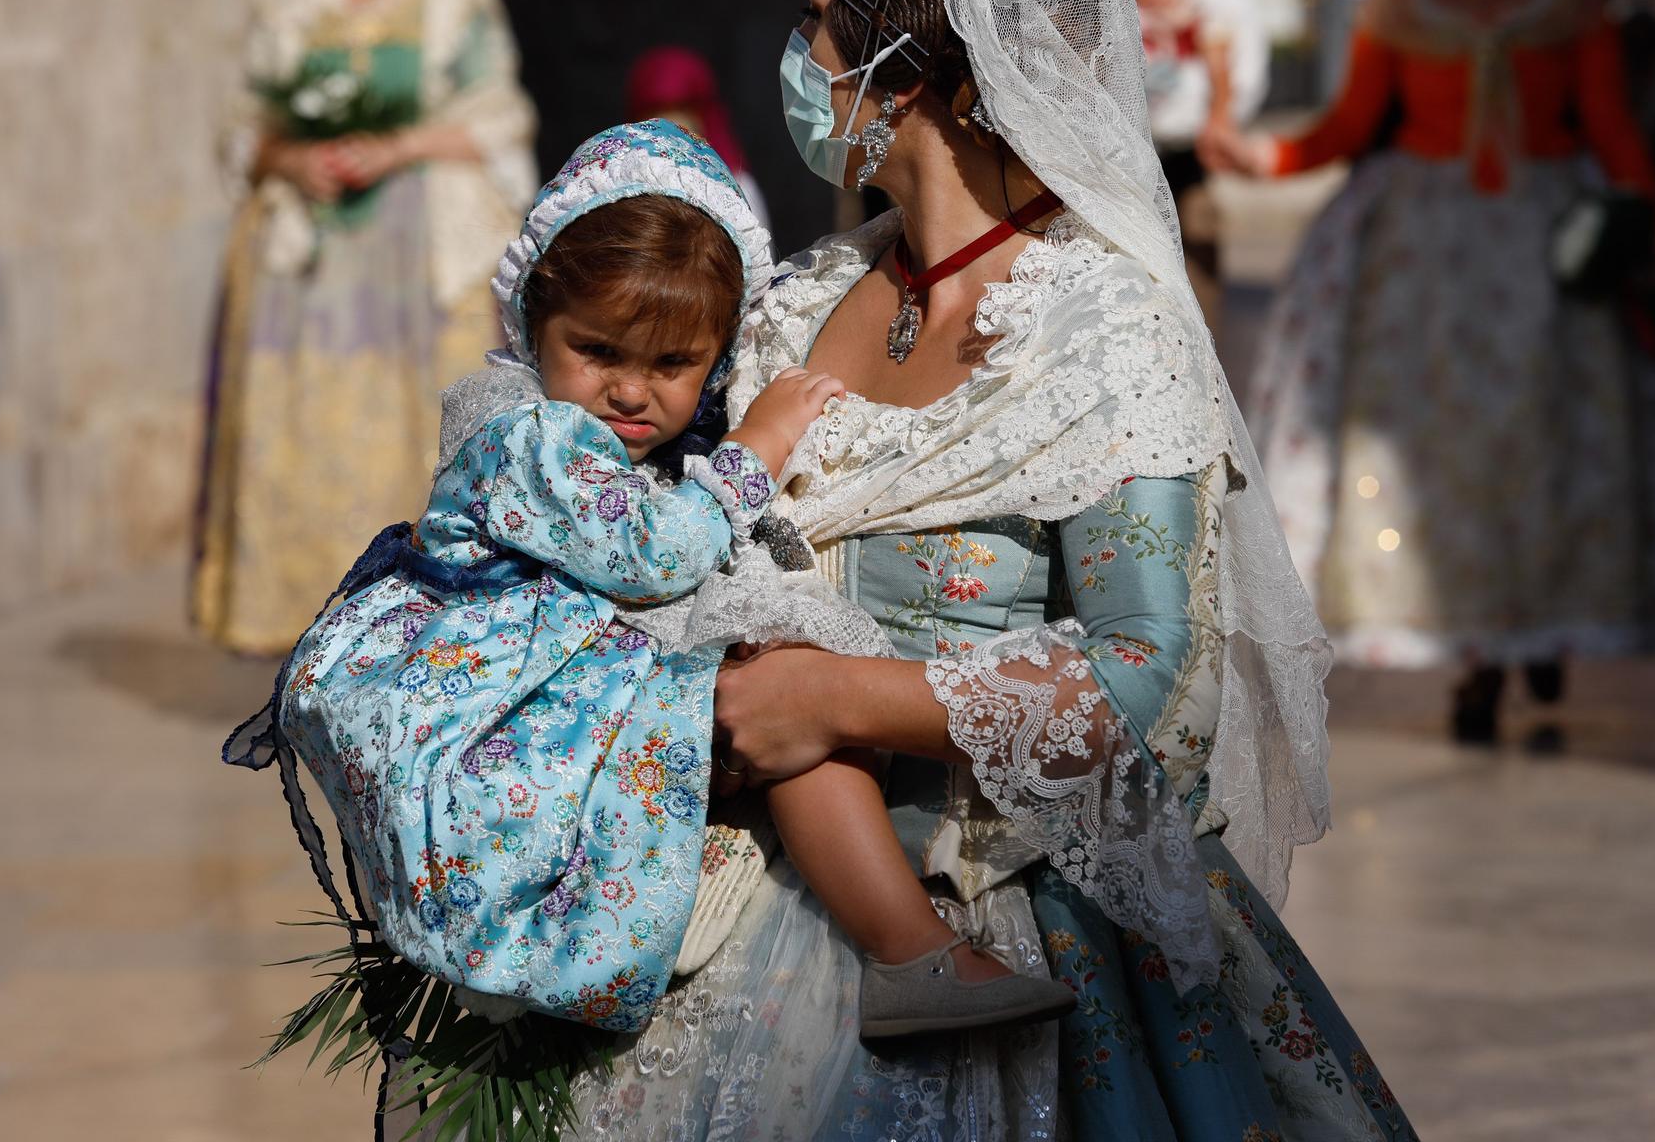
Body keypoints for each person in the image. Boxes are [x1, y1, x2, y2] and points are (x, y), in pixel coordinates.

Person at [392, 0, 1447, 1142]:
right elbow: (671, 541)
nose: (798, 60)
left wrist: (829, 700)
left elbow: (1148, 680)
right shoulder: (803, 294)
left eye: (816, 19)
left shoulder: (1105, 324)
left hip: (1015, 907)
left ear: (898, 70)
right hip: (741, 890)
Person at [270, 120, 1071, 1037]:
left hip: (583, 667)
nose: (631, 392)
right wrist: (754, 451)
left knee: (789, 690)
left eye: (673, 363)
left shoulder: (618, 436)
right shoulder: (525, 433)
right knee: (782, 695)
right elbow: (646, 551)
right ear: (532, 320)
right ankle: (902, 947)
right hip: (518, 707)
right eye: (598, 351)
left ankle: (905, 944)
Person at [1203, 0, 1655, 741]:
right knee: (1441, 452)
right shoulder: (1402, 3)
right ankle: (1480, 655)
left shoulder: (1566, 4)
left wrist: (1653, 228)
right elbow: (1351, 125)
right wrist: (1265, 159)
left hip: (1548, 248)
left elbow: (1612, 127)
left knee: (1545, 440)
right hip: (1422, 255)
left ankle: (1534, 623)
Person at [192, 0, 536, 656]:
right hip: (303, 265)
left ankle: (414, 607)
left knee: (413, 426)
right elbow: (243, 121)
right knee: (305, 420)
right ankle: (294, 611)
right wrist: (286, 158)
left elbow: (497, 120)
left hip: (415, 257)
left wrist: (398, 148)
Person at [1085, 0, 1268, 328]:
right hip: (1095, 160)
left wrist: (1220, 116)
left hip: (1179, 151)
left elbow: (1223, 35)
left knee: (1192, 292)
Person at [624, 45, 773, 227]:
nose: (669, 123)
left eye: (682, 109)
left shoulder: (734, 187)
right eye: (656, 111)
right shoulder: (616, 183)